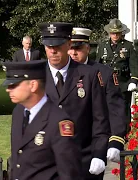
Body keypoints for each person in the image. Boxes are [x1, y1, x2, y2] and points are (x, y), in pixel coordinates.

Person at [40, 22, 110, 180]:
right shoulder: (36, 76)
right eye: (48, 46)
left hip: (82, 161)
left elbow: (100, 119)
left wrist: (99, 154)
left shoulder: (89, 74)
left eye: (58, 45)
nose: (53, 51)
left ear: (68, 44)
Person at [2, 60, 82, 180]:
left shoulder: (58, 122)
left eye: (14, 85)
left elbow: (70, 173)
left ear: (33, 85)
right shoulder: (18, 112)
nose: (8, 89)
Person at [68, 27, 127, 163]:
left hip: (93, 142)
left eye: (77, 49)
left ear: (87, 49)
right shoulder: (62, 73)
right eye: (69, 48)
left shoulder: (104, 73)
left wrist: (116, 140)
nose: (73, 53)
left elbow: (115, 108)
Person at [96, 18, 138, 132]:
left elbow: (136, 64)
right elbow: (97, 64)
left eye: (117, 33)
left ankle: (124, 133)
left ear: (121, 33)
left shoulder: (129, 46)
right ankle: (108, 131)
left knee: (123, 109)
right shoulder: (102, 46)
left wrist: (133, 80)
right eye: (113, 33)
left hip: (123, 82)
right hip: (106, 83)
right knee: (106, 108)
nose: (115, 35)